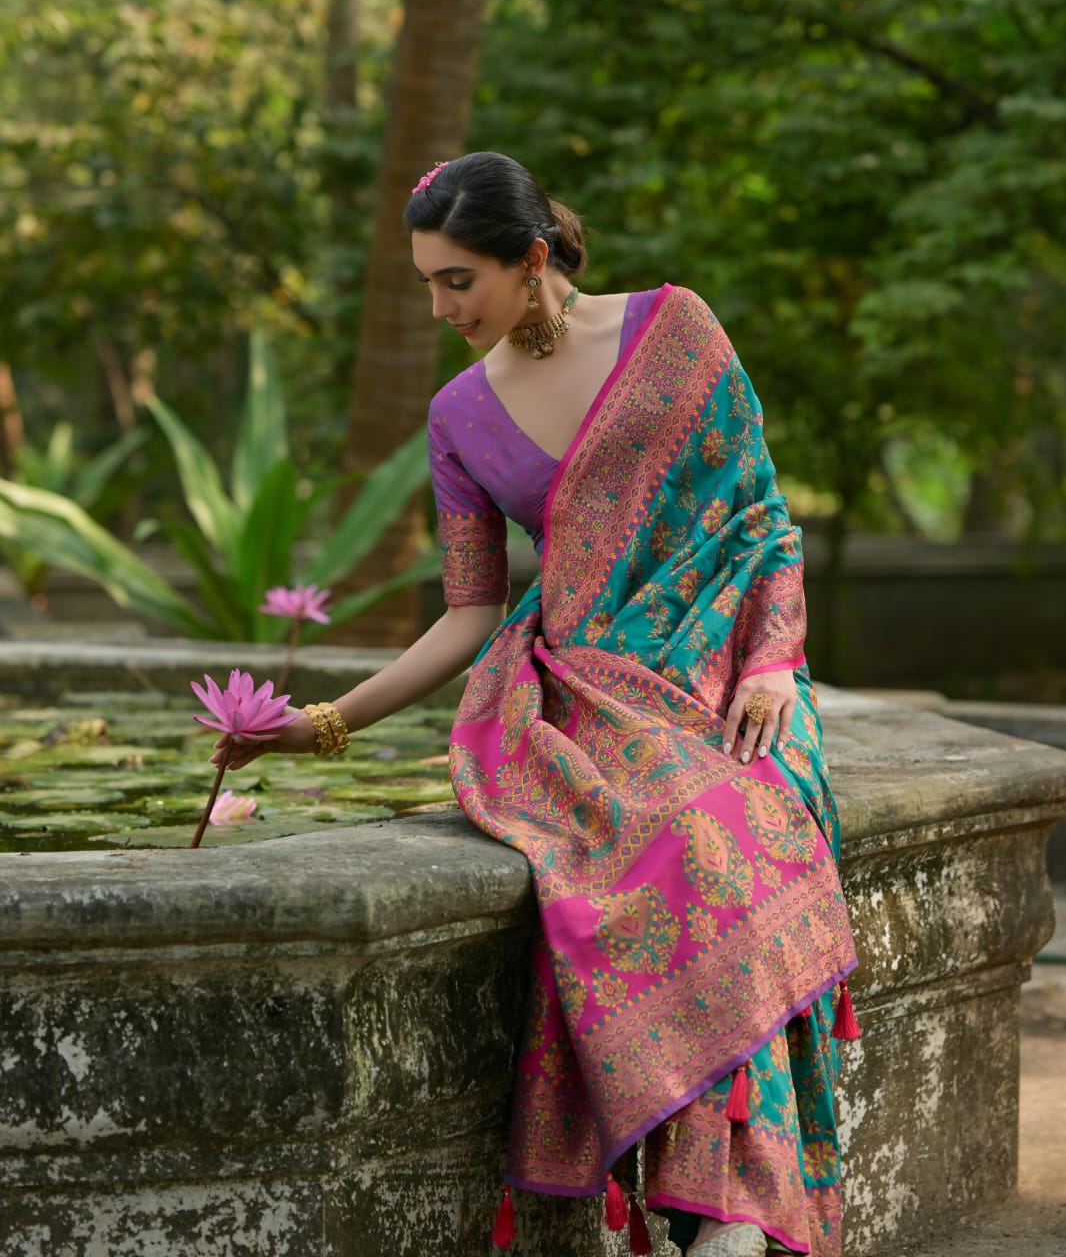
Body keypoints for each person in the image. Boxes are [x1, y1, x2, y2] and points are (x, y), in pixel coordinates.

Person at [218, 151, 860, 1257]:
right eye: (427, 282)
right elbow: (468, 612)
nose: (440, 307)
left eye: (456, 279)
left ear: (529, 258)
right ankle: (727, 1221)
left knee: (735, 830)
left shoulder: (676, 329)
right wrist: (322, 722)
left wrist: (769, 663)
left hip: (726, 660)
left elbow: (759, 517)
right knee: (682, 843)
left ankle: (728, 1213)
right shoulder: (458, 416)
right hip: (582, 685)